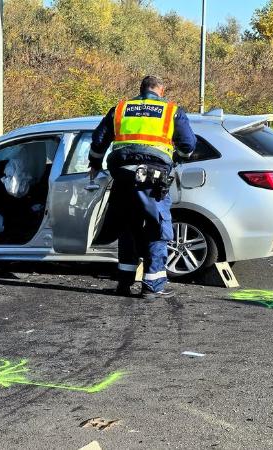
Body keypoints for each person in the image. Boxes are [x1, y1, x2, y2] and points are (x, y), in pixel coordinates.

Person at [89, 75, 196, 299]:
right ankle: (152, 286)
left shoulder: (119, 109)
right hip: (153, 179)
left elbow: (99, 141)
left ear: (141, 90)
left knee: (127, 227)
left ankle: (124, 283)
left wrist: (95, 164)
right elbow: (188, 145)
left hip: (123, 177)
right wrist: (176, 158)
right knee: (156, 228)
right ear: (161, 91)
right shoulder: (171, 111)